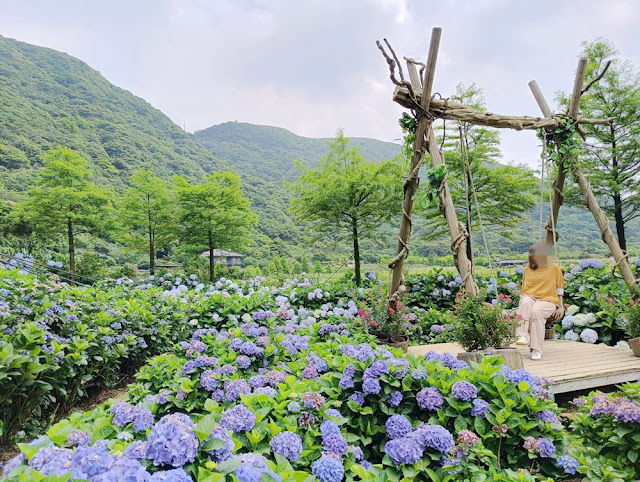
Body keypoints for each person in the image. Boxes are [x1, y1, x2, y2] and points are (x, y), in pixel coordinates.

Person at [515, 242, 564, 360]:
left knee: (536, 312)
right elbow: (524, 289)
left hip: (548, 299)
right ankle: (522, 336)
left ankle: (536, 349)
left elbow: (559, 288)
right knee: (525, 302)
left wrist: (561, 306)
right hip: (530, 297)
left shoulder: (554, 268)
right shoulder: (527, 269)